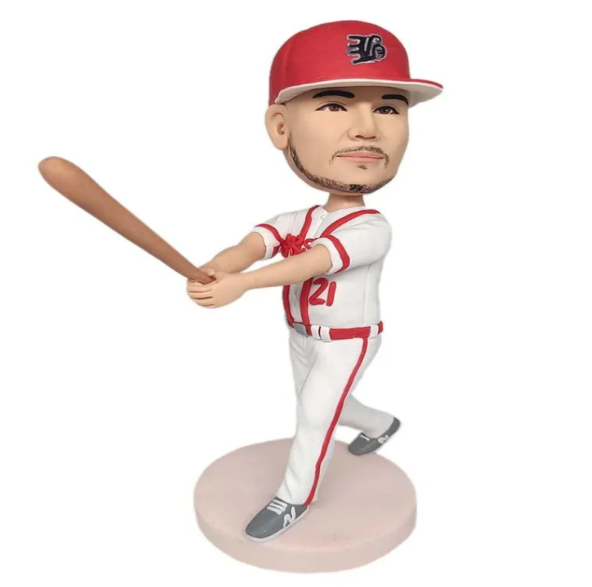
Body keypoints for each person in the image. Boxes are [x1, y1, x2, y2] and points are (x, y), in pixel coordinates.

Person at [187, 20, 443, 542]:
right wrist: (222, 265)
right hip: (302, 334)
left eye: (388, 108)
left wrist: (242, 286)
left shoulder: (371, 227)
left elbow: (311, 263)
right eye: (335, 106)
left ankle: (293, 498)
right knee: (327, 405)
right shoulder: (301, 217)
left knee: (313, 418)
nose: (367, 129)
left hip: (348, 339)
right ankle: (381, 425)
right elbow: (254, 244)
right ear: (281, 127)